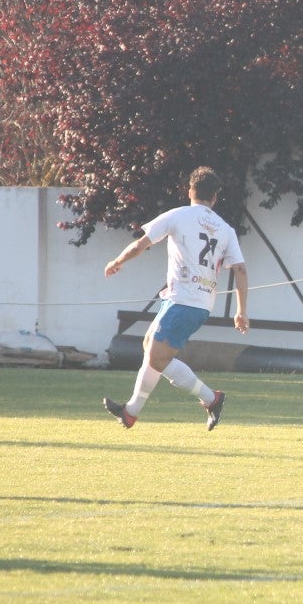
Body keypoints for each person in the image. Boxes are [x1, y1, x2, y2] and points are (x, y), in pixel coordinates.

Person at [102, 166, 247, 430]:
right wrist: (241, 310)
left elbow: (141, 244)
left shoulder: (178, 215)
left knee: (158, 357)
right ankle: (131, 411)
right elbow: (240, 269)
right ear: (215, 198)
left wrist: (117, 261)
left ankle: (211, 398)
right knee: (150, 347)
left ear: (190, 190)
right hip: (196, 302)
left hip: (185, 301)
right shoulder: (226, 230)